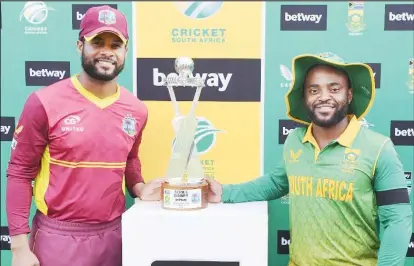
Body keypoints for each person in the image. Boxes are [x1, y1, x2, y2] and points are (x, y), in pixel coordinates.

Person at [205, 52, 413, 266]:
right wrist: (226, 192)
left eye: (334, 89)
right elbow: (278, 182)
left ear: (349, 95)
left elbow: (397, 221)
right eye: (314, 90)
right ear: (305, 98)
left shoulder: (379, 148)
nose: (324, 96)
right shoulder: (295, 140)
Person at [6, 5, 163, 266]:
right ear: (80, 46)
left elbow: (130, 160)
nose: (106, 51)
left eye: (115, 45)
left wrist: (139, 187)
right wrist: (19, 247)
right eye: (97, 42)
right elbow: (20, 172)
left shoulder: (136, 110)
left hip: (115, 236)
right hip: (57, 239)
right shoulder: (44, 102)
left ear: (125, 51)